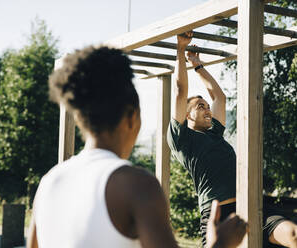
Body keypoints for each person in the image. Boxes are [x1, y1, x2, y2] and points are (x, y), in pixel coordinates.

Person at [27, 46, 248, 248]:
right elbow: (181, 92)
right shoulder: (137, 185)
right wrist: (221, 245)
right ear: (132, 118)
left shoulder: (49, 182)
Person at [167, 31, 297, 248]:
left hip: (250, 207)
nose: (208, 110)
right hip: (218, 216)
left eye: (207, 107)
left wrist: (198, 65)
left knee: (296, 235)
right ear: (187, 115)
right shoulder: (182, 140)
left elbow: (219, 97)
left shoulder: (214, 133)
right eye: (201, 106)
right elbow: (180, 91)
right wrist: (181, 50)